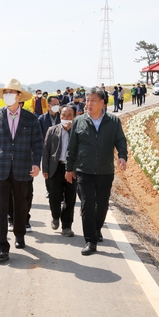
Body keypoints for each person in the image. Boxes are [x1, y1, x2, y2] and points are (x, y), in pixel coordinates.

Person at [65, 87, 128, 256]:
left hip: (105, 171)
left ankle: (96, 228)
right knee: (87, 205)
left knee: (102, 206)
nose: (88, 103)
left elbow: (121, 140)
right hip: (84, 171)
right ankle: (90, 241)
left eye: (93, 100)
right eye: (87, 100)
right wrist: (69, 169)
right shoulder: (79, 121)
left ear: (103, 103)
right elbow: (72, 147)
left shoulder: (113, 122)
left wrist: (122, 156)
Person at [0, 78, 43, 262]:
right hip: (0, 167)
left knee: (21, 205)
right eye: (6, 93)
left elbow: (37, 143)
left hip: (22, 167)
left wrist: (36, 163)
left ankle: (19, 234)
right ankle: (2, 247)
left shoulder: (31, 118)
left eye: (11, 93)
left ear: (19, 96)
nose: (8, 96)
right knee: (1, 210)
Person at [42, 104, 78, 237]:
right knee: (54, 196)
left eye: (69, 115)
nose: (66, 118)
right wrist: (45, 168)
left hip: (71, 169)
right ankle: (55, 216)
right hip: (55, 168)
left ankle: (67, 226)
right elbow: (46, 151)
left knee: (70, 198)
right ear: (59, 116)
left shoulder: (77, 131)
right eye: (63, 115)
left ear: (74, 117)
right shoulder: (52, 130)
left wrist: (70, 131)